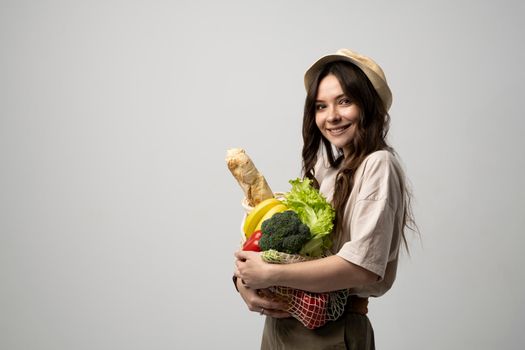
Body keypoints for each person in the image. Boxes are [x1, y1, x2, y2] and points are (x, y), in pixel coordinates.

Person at [233, 48, 415, 350]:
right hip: (282, 327)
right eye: (320, 106)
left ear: (369, 105)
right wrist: (243, 284)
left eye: (344, 101)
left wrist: (270, 273)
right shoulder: (324, 170)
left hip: (332, 330)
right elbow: (290, 248)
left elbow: (362, 267)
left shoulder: (378, 164)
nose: (331, 116)